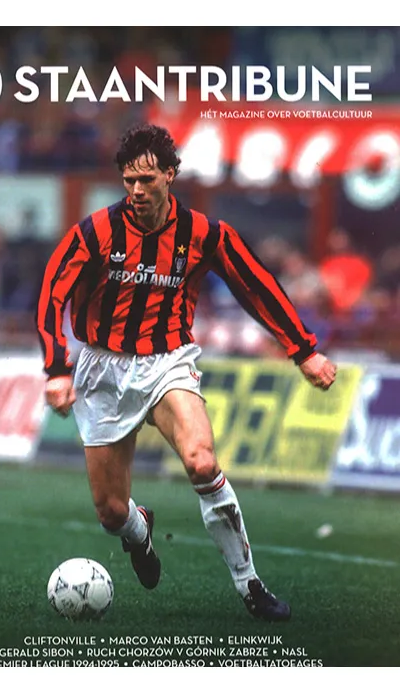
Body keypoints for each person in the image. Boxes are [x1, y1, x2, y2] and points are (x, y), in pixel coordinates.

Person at [36, 123, 337, 622]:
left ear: (170, 175)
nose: (136, 190)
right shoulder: (95, 232)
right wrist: (56, 367)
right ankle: (138, 531)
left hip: (167, 361)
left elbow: (255, 285)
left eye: (147, 179)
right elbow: (52, 292)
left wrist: (303, 350)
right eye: (129, 180)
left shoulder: (204, 234)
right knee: (111, 511)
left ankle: (250, 584)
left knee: (201, 462)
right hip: (102, 369)